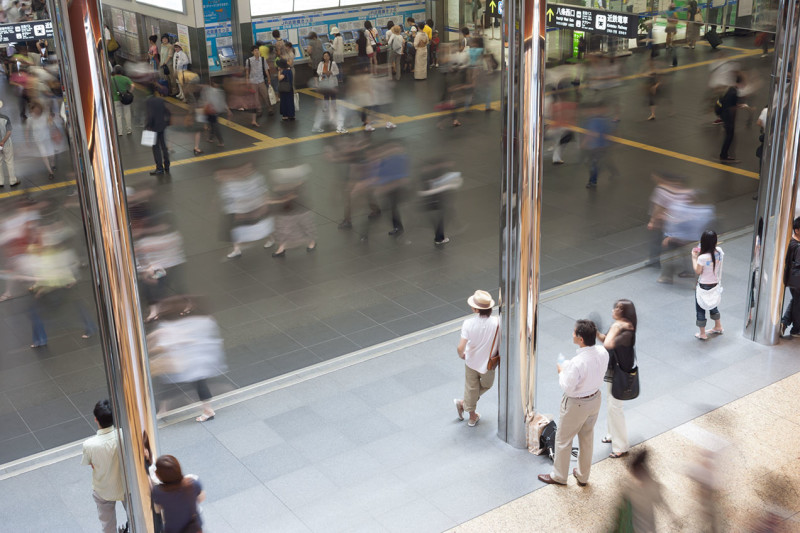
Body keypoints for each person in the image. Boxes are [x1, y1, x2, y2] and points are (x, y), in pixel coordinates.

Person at [538, 319, 608, 486]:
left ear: (580, 339)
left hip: (576, 404)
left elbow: (568, 388)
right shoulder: (602, 352)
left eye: (574, 332)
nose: (572, 334)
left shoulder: (577, 362)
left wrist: (561, 371)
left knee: (563, 440)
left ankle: (559, 476)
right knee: (587, 438)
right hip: (595, 399)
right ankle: (583, 476)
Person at [597, 299, 636, 459]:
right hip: (614, 371)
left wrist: (614, 326)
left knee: (616, 407)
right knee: (611, 403)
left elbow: (608, 344)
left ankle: (621, 446)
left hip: (622, 374)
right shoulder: (619, 327)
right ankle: (612, 433)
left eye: (619, 308)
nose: (614, 309)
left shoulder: (626, 330)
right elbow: (605, 339)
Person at [454, 290, 500, 427]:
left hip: (471, 361)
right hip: (488, 364)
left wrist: (462, 355)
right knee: (487, 385)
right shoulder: (498, 322)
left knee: (471, 388)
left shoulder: (468, 323)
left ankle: (465, 404)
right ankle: (471, 415)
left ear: (475, 309)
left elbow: (460, 347)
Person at [82, 400, 126, 533]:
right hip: (126, 486)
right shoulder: (124, 435)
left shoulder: (89, 444)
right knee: (136, 516)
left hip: (103, 489)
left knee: (107, 525)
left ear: (96, 419)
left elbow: (90, 464)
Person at [151, 455, 205, 533]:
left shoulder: (158, 491)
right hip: (193, 528)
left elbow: (157, 509)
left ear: (159, 475)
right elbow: (201, 498)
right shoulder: (192, 483)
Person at [692, 230, 724, 340]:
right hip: (714, 284)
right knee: (713, 304)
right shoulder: (719, 252)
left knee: (700, 308)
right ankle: (718, 326)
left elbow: (698, 271)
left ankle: (702, 333)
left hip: (703, 286)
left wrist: (694, 257)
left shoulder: (702, 258)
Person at [145, 85, 172, 176]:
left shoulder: (149, 101)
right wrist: (167, 123)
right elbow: (168, 112)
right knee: (164, 146)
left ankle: (159, 168)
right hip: (162, 125)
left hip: (153, 127)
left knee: (156, 148)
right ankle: (167, 165)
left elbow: (150, 115)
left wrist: (148, 126)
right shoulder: (161, 100)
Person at [245, 45, 274, 127]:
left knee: (266, 95)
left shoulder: (262, 59)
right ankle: (259, 110)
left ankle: (270, 108)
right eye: (255, 50)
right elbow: (247, 71)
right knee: (256, 97)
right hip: (253, 81)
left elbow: (266, 69)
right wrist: (247, 80)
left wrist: (268, 79)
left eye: (257, 50)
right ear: (252, 52)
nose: (257, 52)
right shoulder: (249, 61)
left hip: (261, 80)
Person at [781, 217, 800, 337]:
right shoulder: (797, 246)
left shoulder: (792, 242)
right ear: (797, 230)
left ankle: (784, 322)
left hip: (792, 278)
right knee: (798, 303)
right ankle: (796, 329)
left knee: (796, 301)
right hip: (797, 280)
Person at [719, 75, 743, 162]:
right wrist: (732, 121)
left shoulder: (730, 89)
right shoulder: (735, 92)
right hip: (728, 116)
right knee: (729, 136)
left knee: (728, 135)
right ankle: (723, 155)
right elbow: (732, 107)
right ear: (740, 83)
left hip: (724, 115)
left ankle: (724, 154)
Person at [0, 101, 19, 187]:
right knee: (9, 161)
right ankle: (12, 181)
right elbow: (9, 132)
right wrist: (3, 141)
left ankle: (0, 182)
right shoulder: (5, 118)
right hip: (6, 143)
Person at [111, 65, 133, 136]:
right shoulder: (125, 78)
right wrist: (129, 92)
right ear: (122, 71)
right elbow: (133, 85)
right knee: (127, 114)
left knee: (118, 115)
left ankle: (120, 132)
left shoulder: (111, 79)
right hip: (125, 99)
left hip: (116, 99)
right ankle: (129, 130)